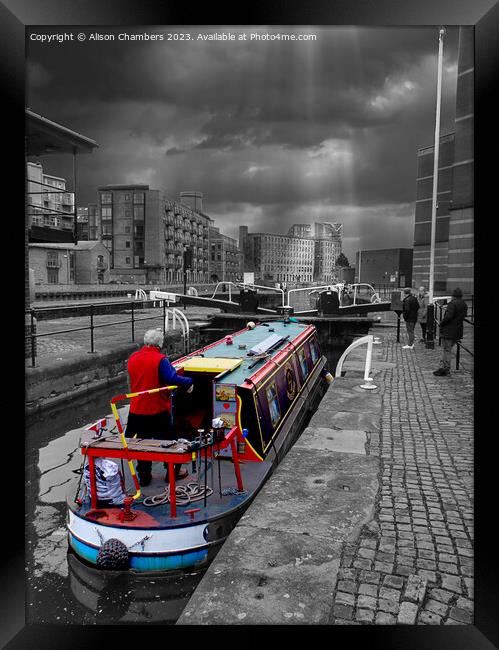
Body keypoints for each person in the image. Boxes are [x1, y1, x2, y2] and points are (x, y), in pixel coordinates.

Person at [126, 329, 194, 486]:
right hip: (157, 409)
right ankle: (171, 473)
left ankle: (144, 475)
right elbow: (171, 378)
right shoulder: (160, 359)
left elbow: (132, 381)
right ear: (160, 343)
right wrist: (189, 381)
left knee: (141, 443)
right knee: (169, 441)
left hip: (136, 410)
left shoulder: (132, 358)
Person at [433, 288, 468, 376]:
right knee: (448, 349)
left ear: (453, 295)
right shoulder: (464, 304)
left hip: (449, 330)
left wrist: (441, 323)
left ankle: (445, 368)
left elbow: (449, 316)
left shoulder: (452, 303)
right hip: (457, 330)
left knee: (446, 350)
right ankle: (443, 367)